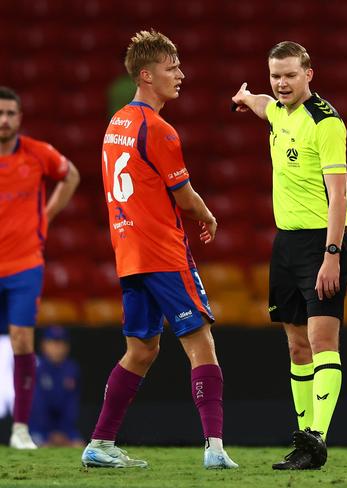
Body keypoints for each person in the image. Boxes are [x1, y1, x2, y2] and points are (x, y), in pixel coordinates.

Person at [80, 30, 237, 470]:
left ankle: (100, 444)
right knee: (201, 344)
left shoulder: (116, 123)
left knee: (142, 349)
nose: (181, 76)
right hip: (162, 252)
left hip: (128, 253)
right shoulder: (158, 129)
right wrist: (206, 216)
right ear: (147, 75)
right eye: (172, 69)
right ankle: (215, 448)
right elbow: (184, 197)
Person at [231, 41, 347, 470]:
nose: (282, 83)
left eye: (290, 75)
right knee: (297, 346)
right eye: (276, 75)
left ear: (309, 75)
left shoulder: (326, 123)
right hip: (285, 244)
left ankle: (319, 436)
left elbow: (339, 196)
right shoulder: (278, 111)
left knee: (322, 342)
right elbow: (266, 105)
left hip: (322, 242)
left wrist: (332, 254)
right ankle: (305, 441)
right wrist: (247, 99)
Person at [0, 86, 80, 449]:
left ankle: (20, 428)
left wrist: (46, 215)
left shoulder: (37, 153)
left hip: (24, 262)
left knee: (22, 340)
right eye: (0, 113)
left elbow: (71, 175)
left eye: (10, 113)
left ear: (20, 118)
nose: (4, 120)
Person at [29, 326, 83, 446]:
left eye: (61, 343)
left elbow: (71, 406)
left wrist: (63, 432)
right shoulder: (36, 368)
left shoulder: (72, 369)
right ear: (43, 345)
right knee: (42, 447)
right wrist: (51, 435)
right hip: (38, 429)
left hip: (66, 430)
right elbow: (37, 407)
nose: (57, 347)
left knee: (80, 447)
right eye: (52, 343)